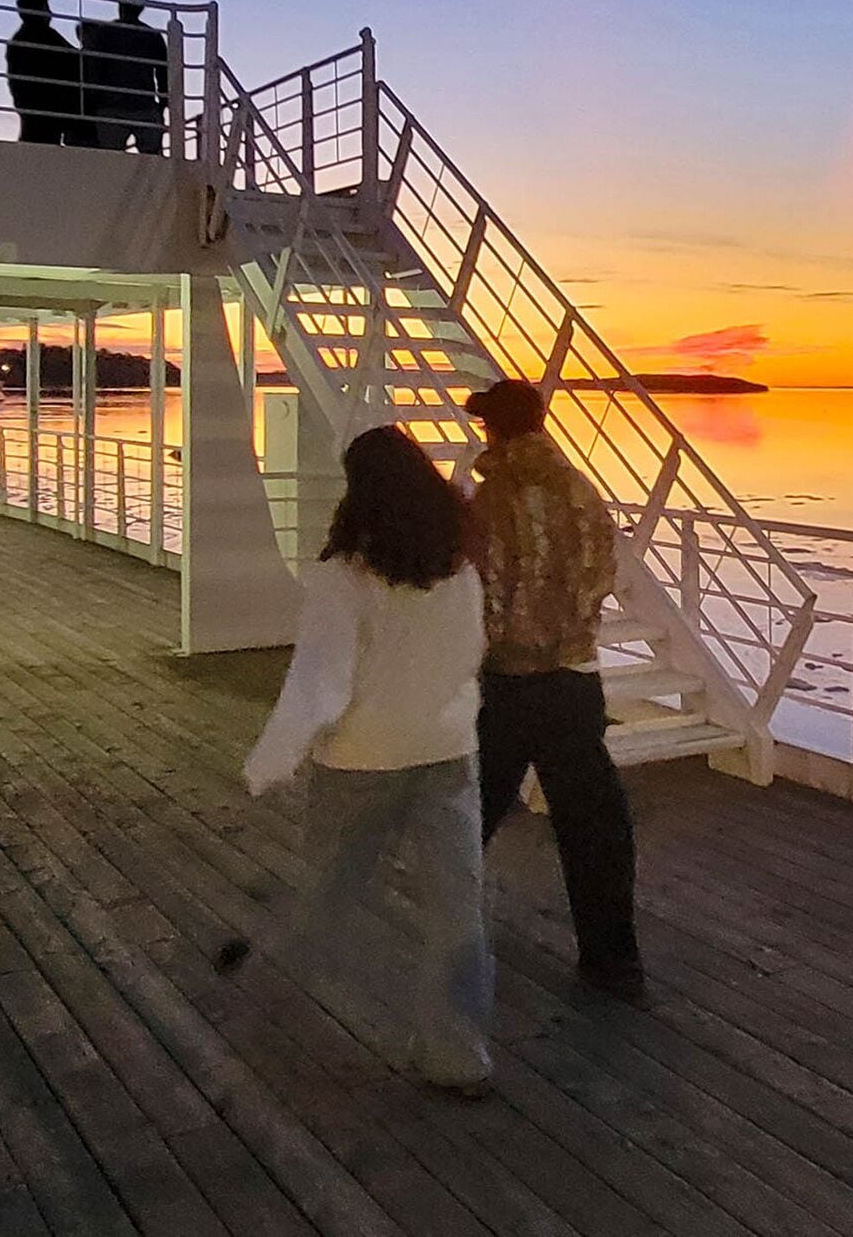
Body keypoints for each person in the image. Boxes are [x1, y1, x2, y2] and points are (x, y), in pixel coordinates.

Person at [222, 426, 496, 1097]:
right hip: (445, 750)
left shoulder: (343, 577)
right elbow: (473, 650)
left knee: (328, 890)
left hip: (362, 757)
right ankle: (458, 1056)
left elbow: (322, 681)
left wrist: (272, 759)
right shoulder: (458, 567)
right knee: (457, 907)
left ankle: (270, 1001)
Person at [461, 377, 645, 1002]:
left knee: (468, 815)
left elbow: (482, 598)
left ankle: (449, 944)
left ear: (494, 428)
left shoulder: (491, 504)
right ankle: (612, 959)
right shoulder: (582, 491)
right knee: (593, 824)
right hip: (572, 679)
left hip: (509, 683)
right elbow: (603, 573)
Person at [79, 0, 172, 154]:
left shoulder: (103, 33)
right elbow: (163, 73)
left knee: (111, 160)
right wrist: (163, 103)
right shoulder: (152, 36)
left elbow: (93, 69)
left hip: (112, 107)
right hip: (143, 106)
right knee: (152, 160)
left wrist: (93, 101)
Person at [4, 0, 86, 145]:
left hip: (31, 103)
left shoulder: (18, 40)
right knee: (44, 142)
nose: (50, 14)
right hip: (49, 103)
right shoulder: (46, 36)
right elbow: (73, 58)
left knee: (33, 141)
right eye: (46, 9)